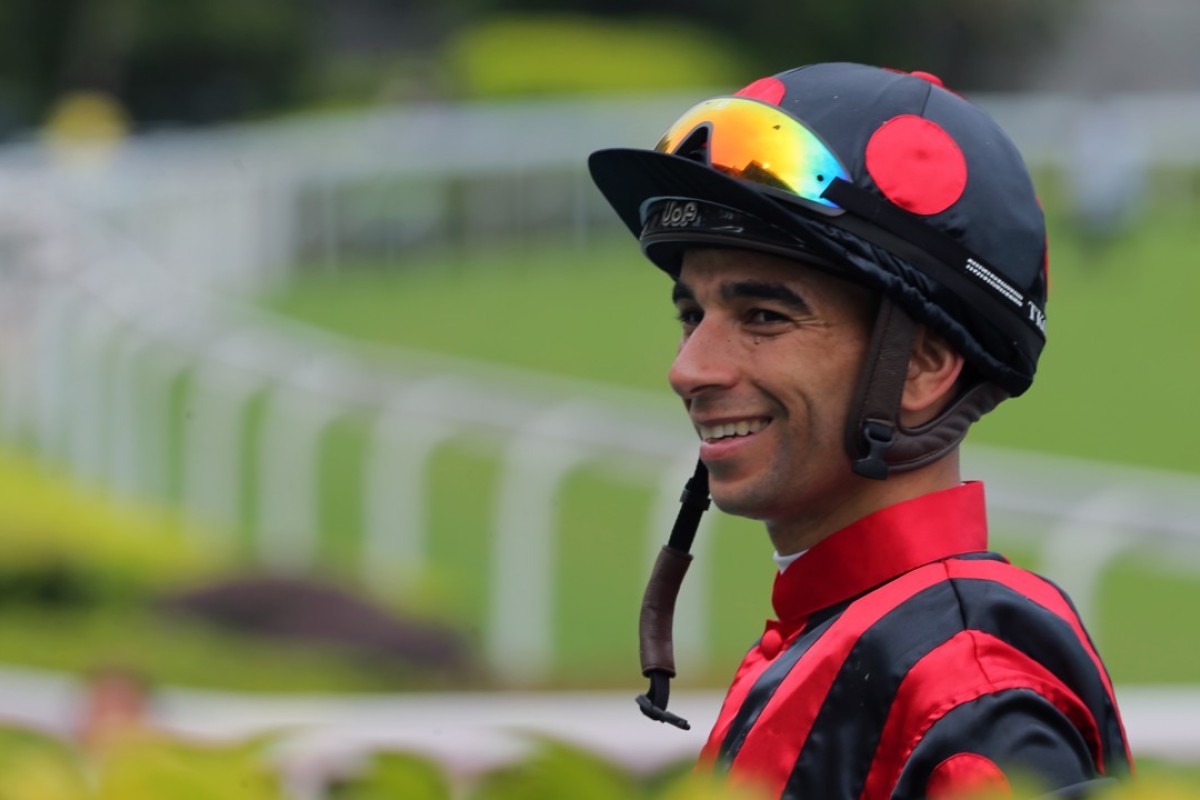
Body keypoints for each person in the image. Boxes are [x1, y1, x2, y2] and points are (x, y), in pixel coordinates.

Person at [588, 63, 1133, 799]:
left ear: (922, 366)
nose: (689, 369)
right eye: (693, 315)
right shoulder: (847, 630)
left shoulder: (965, 677)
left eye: (763, 317)